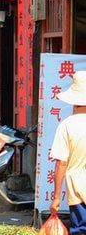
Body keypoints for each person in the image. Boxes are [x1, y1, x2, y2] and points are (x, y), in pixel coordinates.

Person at [49, 71, 86, 235]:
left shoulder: (67, 125)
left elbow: (61, 163)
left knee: (80, 230)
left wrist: (56, 197)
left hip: (78, 189)